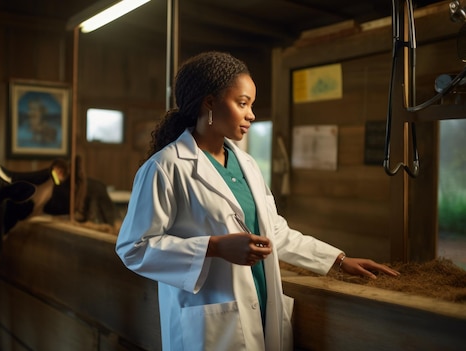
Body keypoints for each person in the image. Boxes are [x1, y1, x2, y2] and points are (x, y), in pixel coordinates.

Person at [115, 51, 400, 351]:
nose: (251, 114)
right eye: (242, 103)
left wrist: (339, 261)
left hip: (262, 310)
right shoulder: (166, 167)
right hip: (209, 326)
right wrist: (214, 247)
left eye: (251, 104)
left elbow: (274, 233)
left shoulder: (247, 164)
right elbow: (133, 248)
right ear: (209, 103)